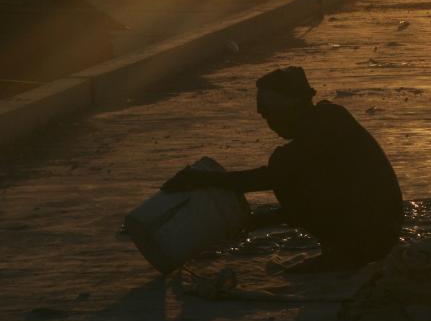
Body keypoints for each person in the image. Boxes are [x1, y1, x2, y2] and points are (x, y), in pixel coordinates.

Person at [162, 66, 403, 272]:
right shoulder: (329, 118)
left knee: (283, 167)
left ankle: (347, 251)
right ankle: (343, 246)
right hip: (380, 227)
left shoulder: (326, 126)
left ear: (290, 109)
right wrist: (257, 220)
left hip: (374, 232)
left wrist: (204, 179)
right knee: (289, 169)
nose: (270, 125)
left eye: (269, 116)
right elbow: (316, 196)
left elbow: (271, 178)